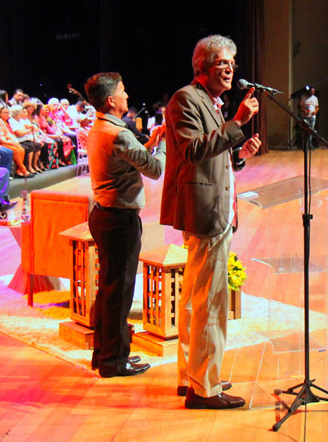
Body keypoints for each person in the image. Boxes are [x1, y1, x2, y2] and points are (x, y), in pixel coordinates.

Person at [161, 35, 261, 410]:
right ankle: (204, 388)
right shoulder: (186, 98)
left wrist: (238, 155)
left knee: (195, 298)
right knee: (210, 303)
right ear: (202, 64)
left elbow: (212, 157)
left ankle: (193, 375)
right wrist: (236, 123)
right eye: (223, 62)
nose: (230, 68)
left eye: (233, 63)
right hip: (205, 212)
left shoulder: (211, 103)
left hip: (214, 206)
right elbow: (193, 151)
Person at [84, 72, 166, 378]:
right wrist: (165, 143)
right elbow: (156, 169)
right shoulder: (117, 133)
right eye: (123, 91)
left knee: (109, 289)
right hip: (119, 219)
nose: (127, 96)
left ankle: (103, 353)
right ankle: (114, 360)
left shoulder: (102, 127)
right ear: (111, 100)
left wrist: (149, 143)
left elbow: (129, 155)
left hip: (104, 215)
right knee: (119, 292)